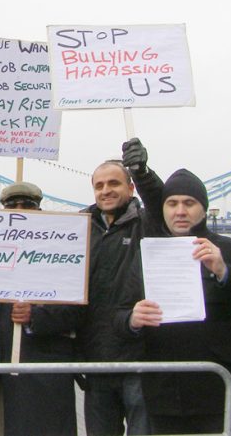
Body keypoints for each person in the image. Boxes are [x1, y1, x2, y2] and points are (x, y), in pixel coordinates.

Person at [118, 139, 231, 436]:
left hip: (222, 398)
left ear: (203, 209)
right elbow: (118, 317)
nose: (180, 211)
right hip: (163, 400)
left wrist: (225, 272)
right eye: (172, 203)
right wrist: (132, 320)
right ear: (162, 210)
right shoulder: (148, 253)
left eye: (189, 203)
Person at [0, 182, 83, 436]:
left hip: (44, 377)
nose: (19, 211)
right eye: (12, 207)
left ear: (39, 210)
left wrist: (36, 316)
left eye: (27, 206)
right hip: (0, 374)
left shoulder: (62, 255)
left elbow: (78, 313)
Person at [77, 159, 151, 436]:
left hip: (139, 359)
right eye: (99, 185)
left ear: (131, 188)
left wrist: (143, 173)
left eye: (114, 183)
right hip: (96, 358)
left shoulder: (148, 225)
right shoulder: (77, 229)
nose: (106, 190)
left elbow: (158, 201)